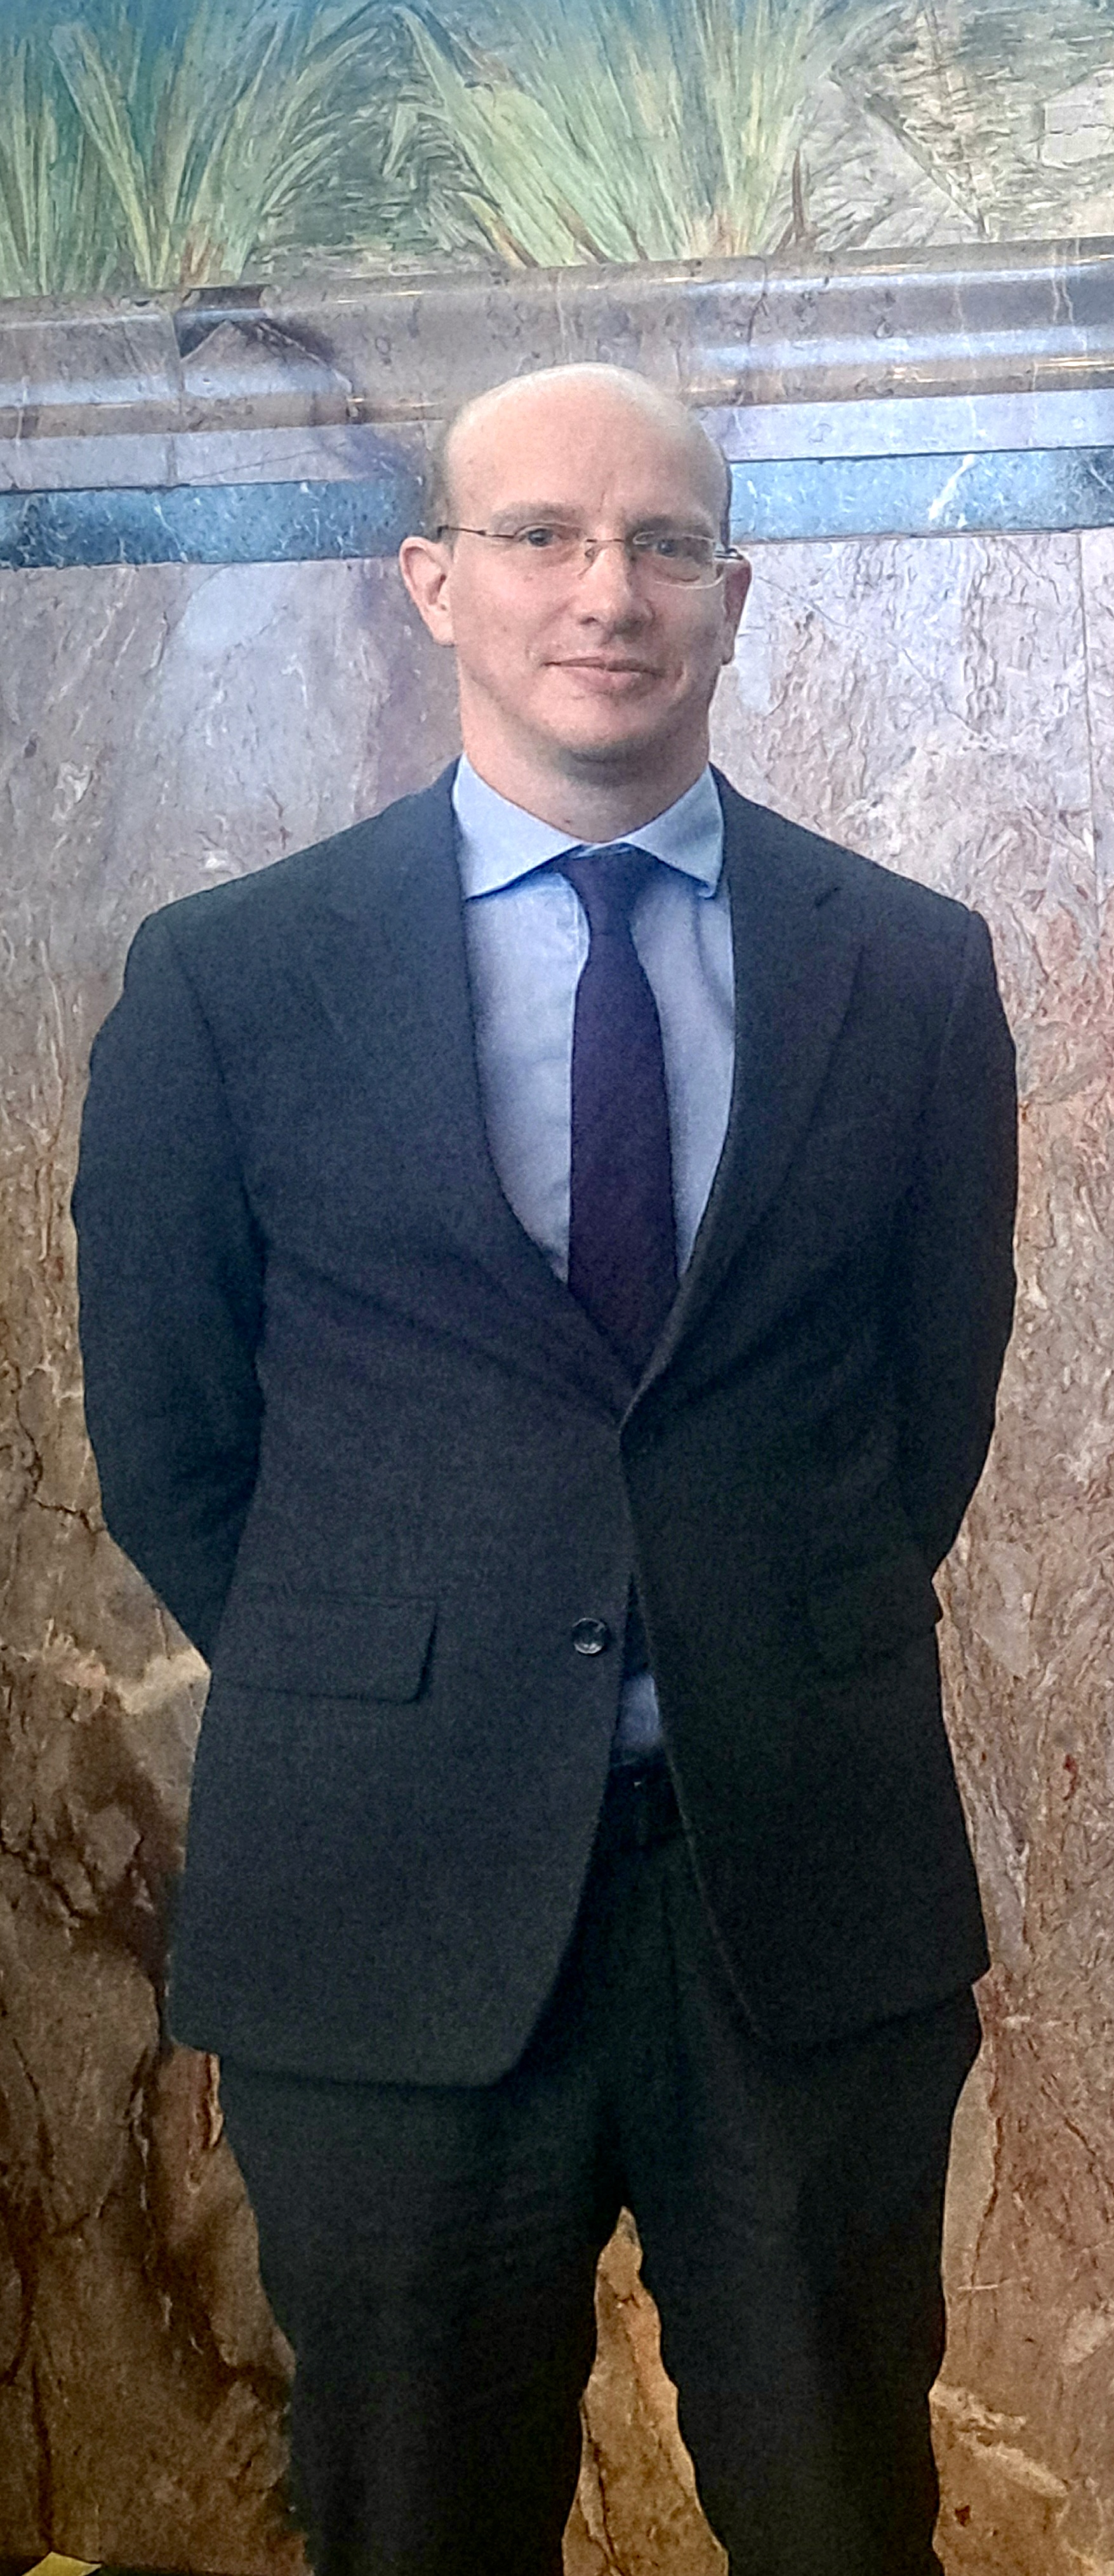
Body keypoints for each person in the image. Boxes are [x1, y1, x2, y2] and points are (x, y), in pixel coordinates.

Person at [69, 362, 1019, 2572]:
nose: (611, 589)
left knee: (846, 2518)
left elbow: (928, 1403)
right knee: (412, 2528)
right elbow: (176, 1442)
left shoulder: (909, 969)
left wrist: (746, 1631)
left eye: (666, 543)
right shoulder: (229, 984)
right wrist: (418, 1670)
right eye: (543, 537)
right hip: (385, 1909)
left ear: (736, 593)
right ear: (433, 583)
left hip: (791, 1887)